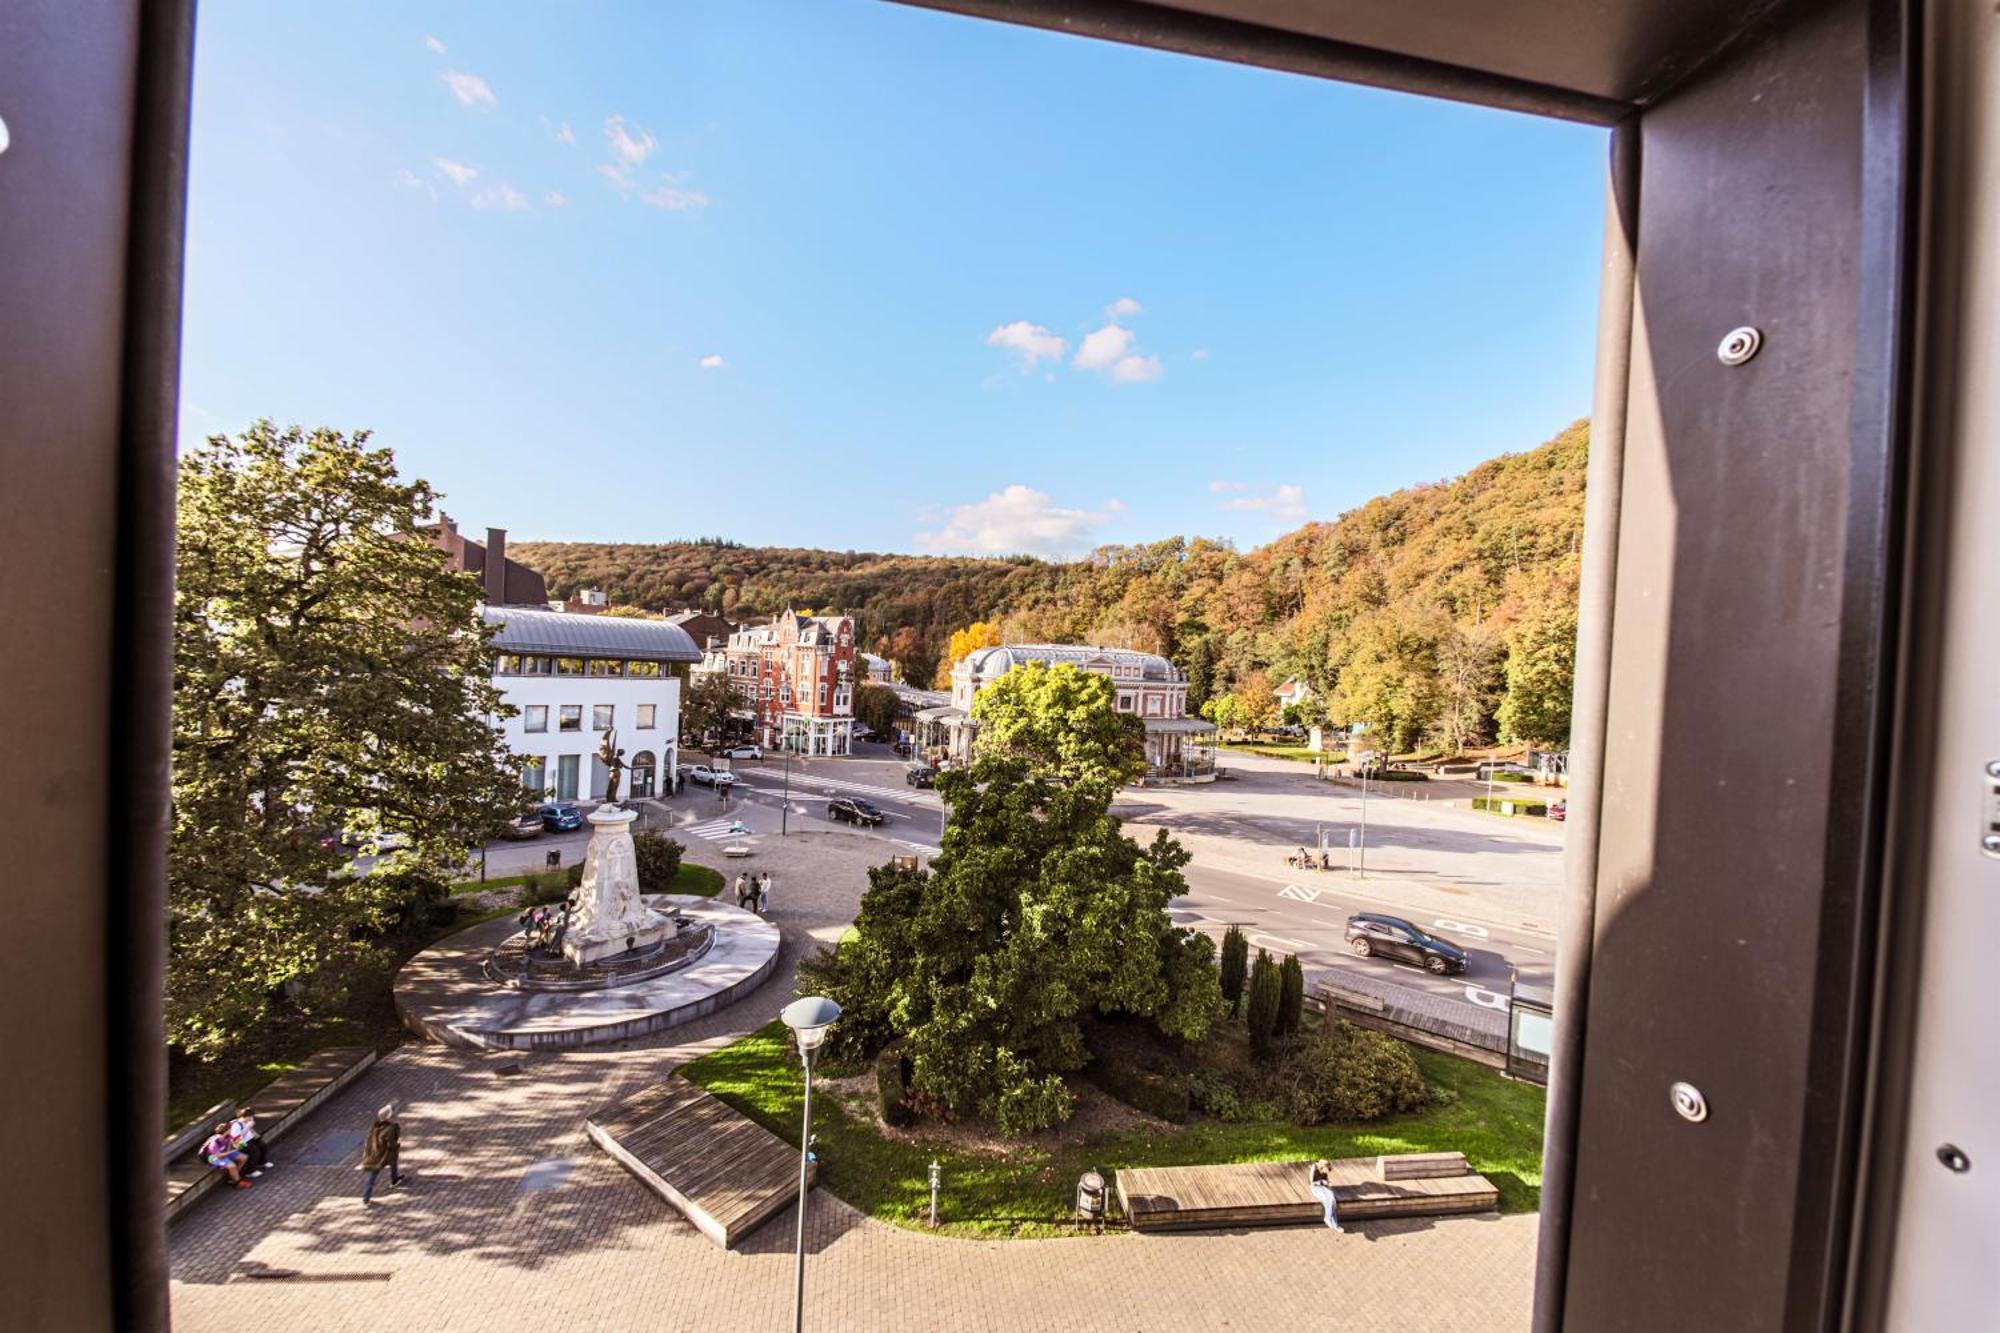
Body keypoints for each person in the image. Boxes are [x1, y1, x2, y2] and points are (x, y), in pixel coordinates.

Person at [360, 1103, 406, 1204]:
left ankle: (394, 1178)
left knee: (392, 1162)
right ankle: (366, 1196)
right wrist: (395, 1146)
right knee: (374, 1172)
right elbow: (391, 1142)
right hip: (382, 1153)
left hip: (373, 1151)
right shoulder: (390, 1128)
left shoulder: (375, 1126)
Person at [202, 1123, 254, 1188]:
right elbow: (218, 1156)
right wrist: (232, 1151)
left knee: (244, 1157)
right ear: (226, 1131)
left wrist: (240, 1144)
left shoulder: (228, 1136)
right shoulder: (214, 1143)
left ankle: (234, 1177)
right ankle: (237, 1183)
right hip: (213, 1157)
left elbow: (239, 1143)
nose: (231, 1130)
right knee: (232, 1166)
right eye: (230, 1129)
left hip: (225, 1152)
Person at [229, 1107, 272, 1174]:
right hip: (240, 1143)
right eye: (250, 1117)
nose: (252, 1119)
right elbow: (237, 1139)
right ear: (246, 1117)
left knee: (263, 1146)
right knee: (255, 1151)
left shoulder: (247, 1121)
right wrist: (248, 1127)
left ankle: (262, 1162)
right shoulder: (236, 1125)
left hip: (250, 1139)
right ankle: (250, 1171)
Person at [1308, 1159, 1343, 1233]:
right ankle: (1331, 1222)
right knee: (1328, 1201)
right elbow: (1311, 1183)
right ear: (1322, 1167)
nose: (1326, 1172)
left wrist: (1328, 1183)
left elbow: (1326, 1179)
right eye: (1326, 1170)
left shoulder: (1325, 1171)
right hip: (1316, 1188)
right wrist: (1321, 1182)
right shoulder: (1314, 1168)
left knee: (1333, 1200)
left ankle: (1329, 1219)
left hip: (1324, 1187)